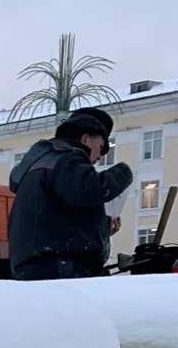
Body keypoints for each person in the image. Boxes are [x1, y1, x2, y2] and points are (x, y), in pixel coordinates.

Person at [7, 107, 134, 280]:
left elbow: (57, 214)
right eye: (102, 147)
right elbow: (87, 190)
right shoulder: (67, 157)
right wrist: (122, 173)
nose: (100, 156)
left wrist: (100, 229)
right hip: (61, 265)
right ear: (86, 138)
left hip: (37, 263)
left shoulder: (42, 163)